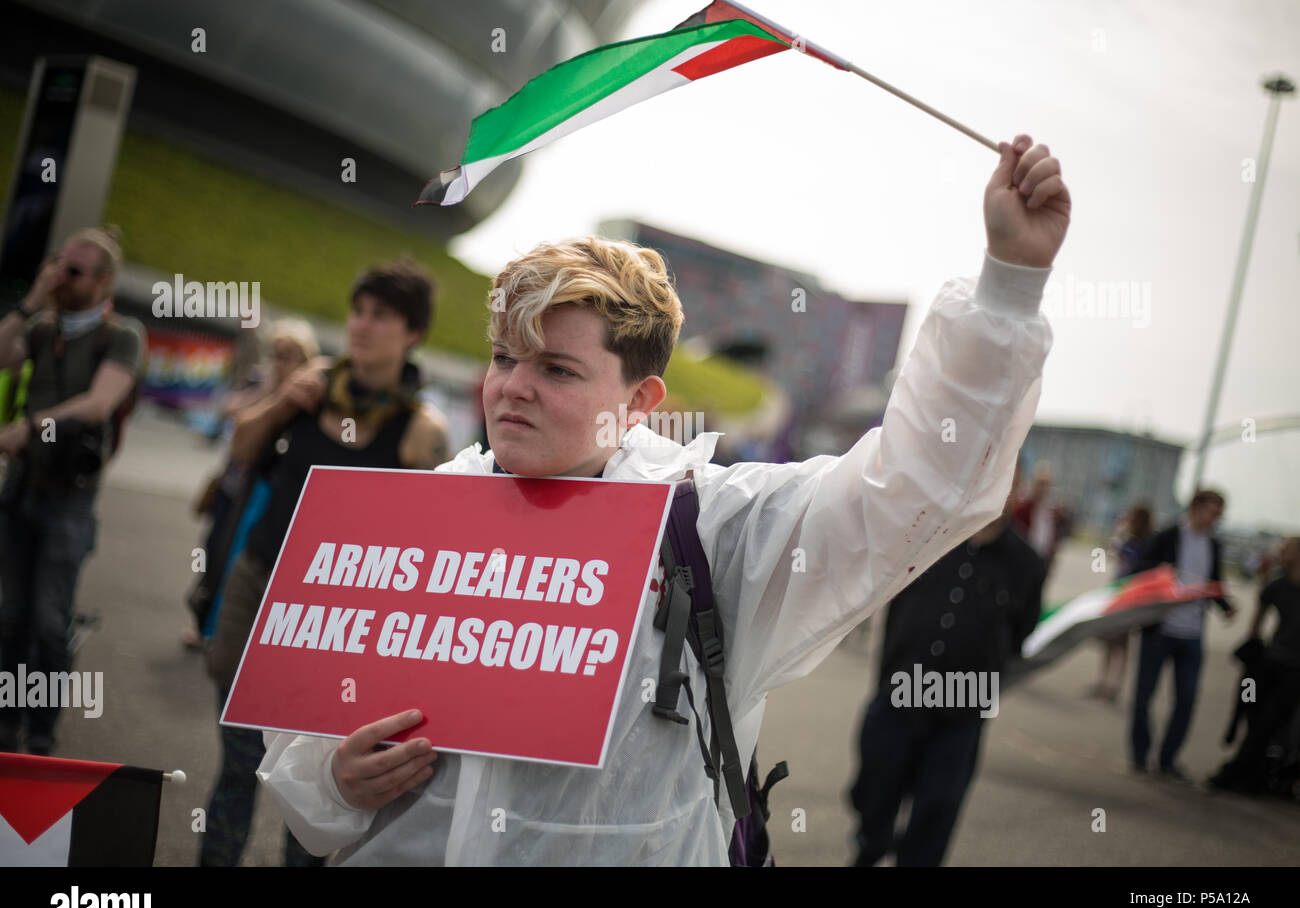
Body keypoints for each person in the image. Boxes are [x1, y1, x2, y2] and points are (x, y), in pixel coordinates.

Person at [257, 133, 1070, 866]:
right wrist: (335, 775)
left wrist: (1007, 289)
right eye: (506, 357)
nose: (513, 389)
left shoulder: (709, 533)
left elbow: (913, 491)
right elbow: (308, 794)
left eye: (558, 370)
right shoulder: (417, 520)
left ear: (641, 400)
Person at [198, 260, 451, 866]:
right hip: (260, 583)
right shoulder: (309, 390)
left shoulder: (420, 426)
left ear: (412, 332)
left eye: (381, 316)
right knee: (238, 759)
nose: (362, 325)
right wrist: (282, 401)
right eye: (358, 311)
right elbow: (239, 450)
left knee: (315, 776)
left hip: (343, 617)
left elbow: (430, 540)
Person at [848, 466, 1045, 866]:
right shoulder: (928, 536)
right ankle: (871, 846)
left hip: (964, 709)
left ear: (1017, 492)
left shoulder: (1026, 564)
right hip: (900, 693)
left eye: (1010, 482)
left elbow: (1022, 634)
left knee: (938, 808)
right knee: (873, 791)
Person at [0, 226, 145, 755]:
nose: (63, 277)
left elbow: (99, 404)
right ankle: (5, 721)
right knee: (9, 614)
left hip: (69, 497)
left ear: (104, 282)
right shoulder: (42, 326)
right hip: (20, 490)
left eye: (74, 272)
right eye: (59, 264)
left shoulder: (122, 336)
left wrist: (30, 425)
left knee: (49, 619)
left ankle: (42, 732)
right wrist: (32, 300)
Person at [183, 318, 319, 650]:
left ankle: (235, 632)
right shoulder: (260, 381)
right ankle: (203, 622)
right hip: (233, 488)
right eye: (277, 354)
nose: (282, 362)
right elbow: (231, 411)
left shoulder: (309, 394)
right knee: (214, 552)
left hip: (270, 497)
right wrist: (272, 392)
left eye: (290, 355)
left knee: (251, 562)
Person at [1129, 489, 1237, 780]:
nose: (1216, 519)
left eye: (1219, 514)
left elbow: (1214, 581)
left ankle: (1167, 759)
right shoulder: (1167, 537)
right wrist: (1161, 578)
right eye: (1213, 512)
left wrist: (1226, 605)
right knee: (1143, 696)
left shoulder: (1214, 545)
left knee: (1187, 698)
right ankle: (1140, 755)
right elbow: (1139, 570)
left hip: (1192, 633)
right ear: (1197, 507)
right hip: (1160, 630)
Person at [1208, 537, 1300, 794]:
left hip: (1294, 670)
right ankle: (1251, 774)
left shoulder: (1279, 586)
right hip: (1271, 664)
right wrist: (1254, 654)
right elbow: (1255, 627)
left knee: (1272, 723)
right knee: (1254, 714)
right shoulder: (1276, 586)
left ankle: (1245, 773)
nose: (1280, 553)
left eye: (1286, 550)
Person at [1087, 503, 1154, 702]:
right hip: (1118, 593)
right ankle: (1105, 682)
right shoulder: (1133, 540)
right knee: (1110, 641)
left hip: (1130, 596)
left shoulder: (1141, 543)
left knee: (1121, 643)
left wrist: (1121, 536)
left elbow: (1128, 561)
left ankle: (1114, 685)